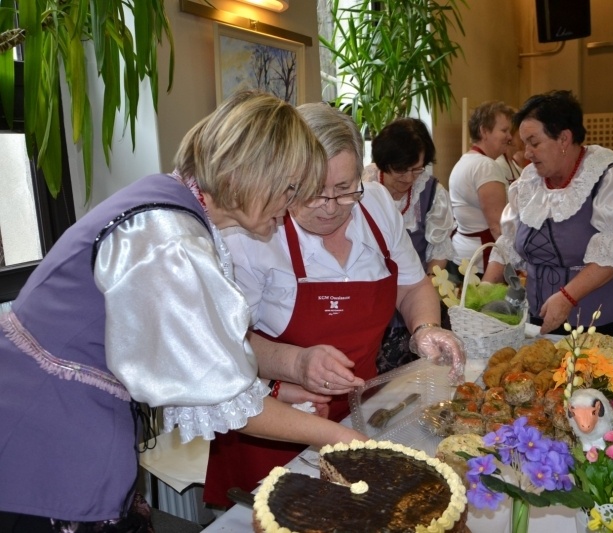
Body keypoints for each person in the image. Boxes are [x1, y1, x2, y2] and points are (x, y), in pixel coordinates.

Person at [0, 91, 366, 531]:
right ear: (252, 174)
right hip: (44, 433)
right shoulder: (168, 239)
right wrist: (346, 439)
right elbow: (229, 402)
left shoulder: (177, 208)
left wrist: (294, 365)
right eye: (289, 190)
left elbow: (212, 340)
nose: (290, 207)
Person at [204, 103, 465, 507]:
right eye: (311, 193)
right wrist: (297, 362)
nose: (329, 206)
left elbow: (413, 288)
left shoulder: (377, 205)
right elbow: (226, 345)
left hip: (360, 409)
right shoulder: (251, 235)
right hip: (274, 422)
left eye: (344, 190)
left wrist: (425, 328)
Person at [483, 90, 613, 340]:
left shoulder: (610, 176)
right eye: (524, 144)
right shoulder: (529, 182)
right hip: (544, 314)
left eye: (534, 143)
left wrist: (567, 296)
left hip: (611, 322)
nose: (527, 153)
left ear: (564, 139)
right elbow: (507, 244)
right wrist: (483, 292)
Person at [363, 117, 457, 373]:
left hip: (416, 304)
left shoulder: (431, 193)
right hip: (371, 302)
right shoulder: (362, 186)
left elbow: (439, 250)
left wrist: (419, 291)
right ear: (384, 163)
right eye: (400, 169)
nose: (408, 178)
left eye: (416, 169)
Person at [449, 100, 514, 273]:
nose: (510, 137)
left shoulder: (466, 161)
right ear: (484, 131)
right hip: (481, 261)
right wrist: (513, 263)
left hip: (464, 256)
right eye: (504, 130)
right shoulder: (486, 167)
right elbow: (497, 227)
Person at [497, 121, 530, 185]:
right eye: (520, 135)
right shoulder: (500, 164)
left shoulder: (513, 163)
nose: (523, 139)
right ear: (510, 137)